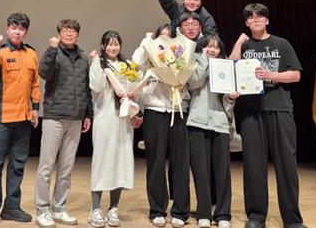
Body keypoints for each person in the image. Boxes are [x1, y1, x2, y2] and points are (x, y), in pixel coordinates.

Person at [230, 3, 307, 228]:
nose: (255, 20)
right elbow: (231, 67)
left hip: (280, 109)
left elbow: (295, 75)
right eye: (251, 17)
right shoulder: (244, 46)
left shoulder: (281, 44)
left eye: (260, 16)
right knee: (253, 165)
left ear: (267, 20)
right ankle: (256, 217)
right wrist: (238, 43)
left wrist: (270, 75)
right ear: (246, 23)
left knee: (286, 164)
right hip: (250, 112)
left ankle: (292, 220)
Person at [132, 15, 197, 228]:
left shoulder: (181, 53)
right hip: (155, 111)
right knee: (156, 162)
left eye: (169, 38)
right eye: (162, 37)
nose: (165, 42)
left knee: (181, 163)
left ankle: (180, 211)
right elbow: (136, 62)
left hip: (179, 111)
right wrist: (148, 41)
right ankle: (157, 209)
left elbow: (191, 76)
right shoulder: (149, 53)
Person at [0, 12, 40, 228]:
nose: (17, 32)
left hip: (23, 119)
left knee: (17, 166)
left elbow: (35, 84)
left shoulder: (31, 53)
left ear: (26, 32)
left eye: (22, 29)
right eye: (14, 27)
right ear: (7, 29)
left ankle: (11, 208)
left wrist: (35, 109)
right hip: (2, 119)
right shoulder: (1, 52)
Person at [35, 19, 93, 228]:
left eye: (73, 30)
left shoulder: (84, 58)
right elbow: (44, 73)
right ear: (59, 33)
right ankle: (42, 211)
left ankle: (59, 208)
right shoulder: (53, 52)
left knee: (66, 168)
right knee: (46, 166)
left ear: (77, 34)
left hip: (76, 119)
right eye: (65, 30)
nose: (69, 33)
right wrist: (51, 50)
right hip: (55, 116)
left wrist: (88, 114)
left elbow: (87, 89)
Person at [88, 30, 143, 228]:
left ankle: (113, 208)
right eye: (109, 44)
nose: (113, 47)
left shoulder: (127, 65)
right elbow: (96, 86)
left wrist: (136, 108)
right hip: (105, 120)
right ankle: (95, 209)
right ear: (103, 46)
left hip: (123, 122)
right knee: (102, 161)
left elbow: (135, 92)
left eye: (116, 44)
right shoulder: (100, 64)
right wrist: (96, 62)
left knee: (120, 162)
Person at [187, 34, 237, 228]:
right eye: (208, 46)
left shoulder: (226, 67)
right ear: (202, 48)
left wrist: (231, 98)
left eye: (216, 47)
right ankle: (204, 213)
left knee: (222, 171)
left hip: (220, 123)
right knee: (201, 171)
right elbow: (194, 83)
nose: (212, 49)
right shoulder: (195, 63)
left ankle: (223, 214)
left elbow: (227, 102)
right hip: (197, 122)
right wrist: (205, 61)